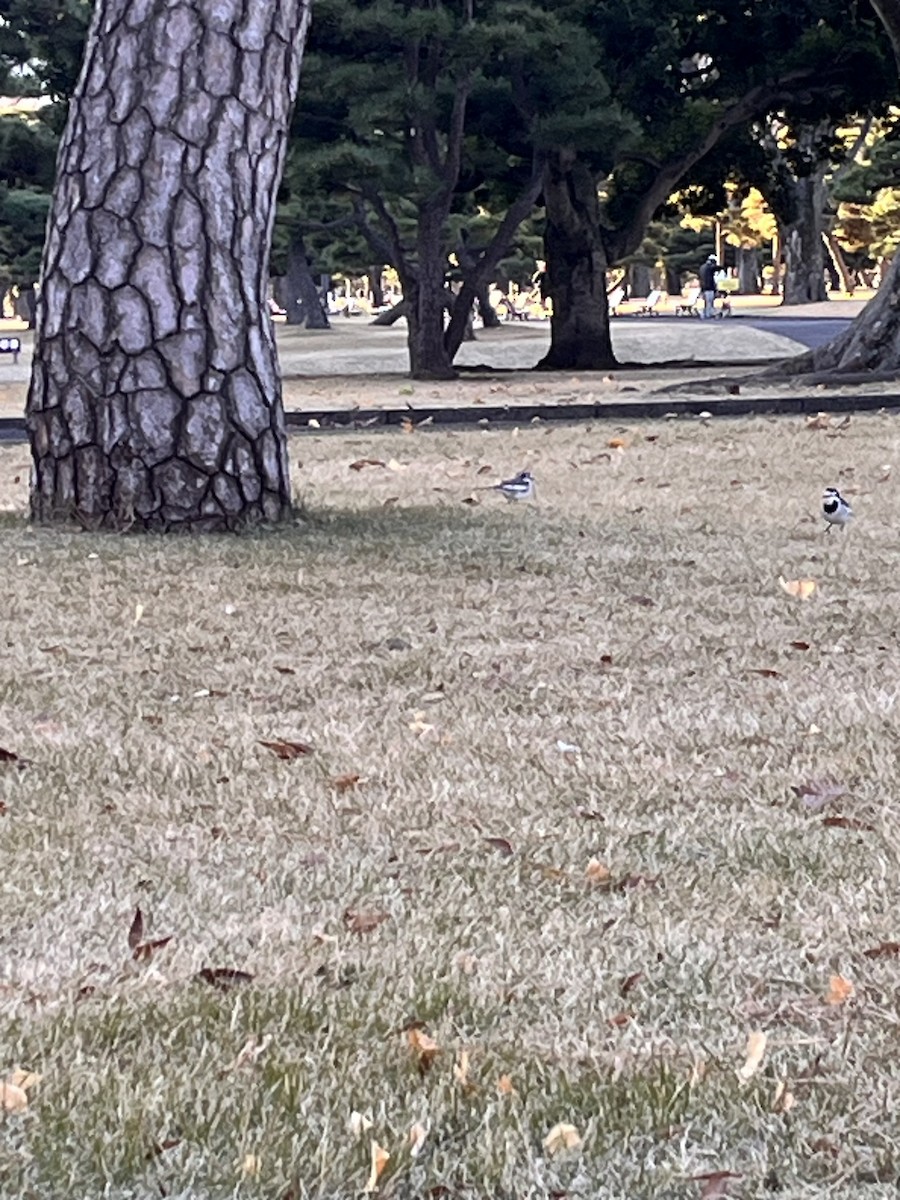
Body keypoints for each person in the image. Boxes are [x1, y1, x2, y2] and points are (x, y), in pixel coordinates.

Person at [699, 254, 718, 320]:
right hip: (709, 287)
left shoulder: (702, 267)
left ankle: (705, 314)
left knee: (706, 302)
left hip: (703, 287)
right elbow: (716, 268)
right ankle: (708, 314)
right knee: (709, 302)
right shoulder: (710, 267)